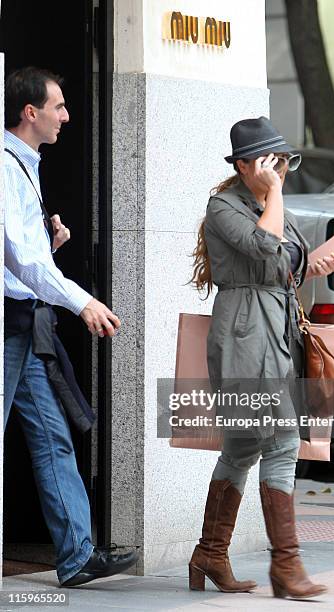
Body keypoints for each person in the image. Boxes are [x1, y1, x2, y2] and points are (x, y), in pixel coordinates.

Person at [189, 117, 334, 599]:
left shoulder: (268, 203)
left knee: (240, 448)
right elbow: (263, 246)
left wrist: (311, 264)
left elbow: (282, 262)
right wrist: (273, 194)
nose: (282, 171)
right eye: (273, 162)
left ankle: (209, 554)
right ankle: (286, 566)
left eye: (285, 162)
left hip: (274, 332)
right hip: (244, 335)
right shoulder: (224, 206)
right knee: (281, 441)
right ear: (243, 165)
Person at [3, 66, 137, 587]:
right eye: (58, 106)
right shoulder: (5, 165)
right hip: (7, 322)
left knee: (53, 436)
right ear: (29, 112)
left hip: (23, 322)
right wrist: (81, 302)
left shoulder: (24, 164)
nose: (66, 115)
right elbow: (23, 262)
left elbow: (23, 256)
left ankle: (76, 555)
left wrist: (46, 246)